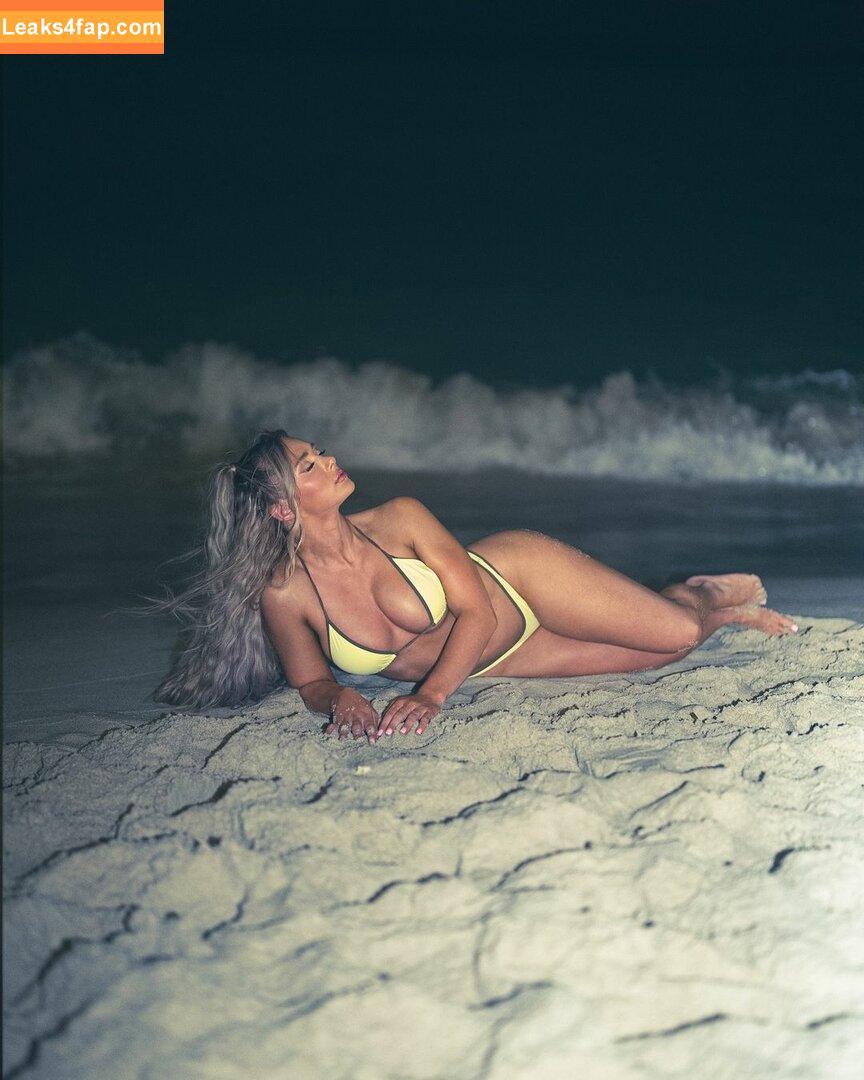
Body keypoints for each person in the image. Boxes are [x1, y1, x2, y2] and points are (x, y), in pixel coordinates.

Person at [151, 429, 797, 745]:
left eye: (319, 450)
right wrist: (340, 698)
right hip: (493, 661)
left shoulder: (400, 519)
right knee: (663, 656)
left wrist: (432, 696)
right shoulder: (286, 593)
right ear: (282, 508)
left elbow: (478, 611)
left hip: (519, 584)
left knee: (677, 630)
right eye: (310, 465)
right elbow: (311, 681)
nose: (330, 460)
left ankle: (703, 594)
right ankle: (719, 615)